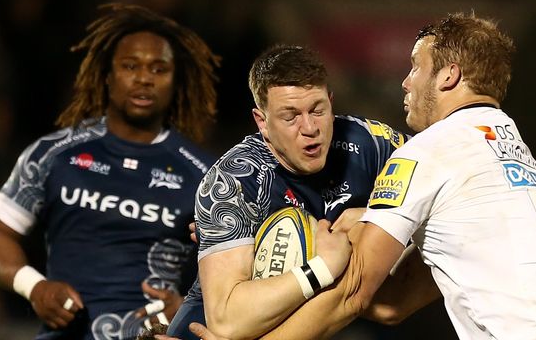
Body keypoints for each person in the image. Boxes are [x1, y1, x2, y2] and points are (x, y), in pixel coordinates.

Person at [201, 12, 536, 340]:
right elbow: (391, 305)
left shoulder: (429, 150)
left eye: (416, 67)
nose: (405, 82)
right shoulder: (514, 156)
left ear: (449, 75)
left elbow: (351, 295)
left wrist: (320, 265)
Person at [0, 3, 221, 340]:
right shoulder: (54, 155)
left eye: (158, 68)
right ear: (108, 76)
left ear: (175, 81)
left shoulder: (207, 175)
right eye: (130, 65)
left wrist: (188, 308)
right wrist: (35, 287)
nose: (143, 78)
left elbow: (235, 274)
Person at [163, 44, 409, 340]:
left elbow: (449, 182)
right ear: (262, 122)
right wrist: (321, 268)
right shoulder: (235, 179)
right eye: (290, 116)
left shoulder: (368, 143)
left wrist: (374, 218)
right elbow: (228, 321)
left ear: (332, 103)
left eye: (318, 110)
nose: (309, 127)